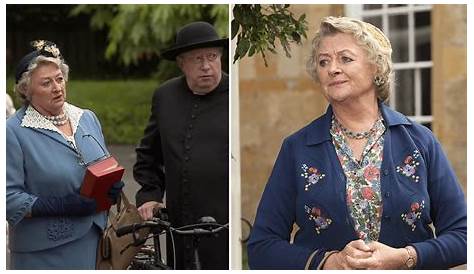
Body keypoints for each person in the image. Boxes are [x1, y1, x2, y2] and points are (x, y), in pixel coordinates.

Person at [247, 16, 466, 270]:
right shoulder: (297, 148)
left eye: (345, 59)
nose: (332, 69)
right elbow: (261, 247)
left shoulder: (420, 142)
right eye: (323, 62)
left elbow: (463, 237)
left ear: (376, 68)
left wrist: (404, 257)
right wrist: (328, 262)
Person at [6, 40, 124, 269]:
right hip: (44, 253)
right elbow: (7, 198)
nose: (57, 88)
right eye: (46, 83)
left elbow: (105, 164)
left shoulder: (87, 118)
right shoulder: (13, 132)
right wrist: (60, 205)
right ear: (26, 90)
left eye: (59, 79)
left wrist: (111, 188)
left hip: (95, 240)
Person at [133, 21, 229, 269]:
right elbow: (148, 155)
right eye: (197, 59)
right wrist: (150, 195)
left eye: (212, 57)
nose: (206, 66)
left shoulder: (235, 95)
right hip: (180, 224)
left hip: (225, 224)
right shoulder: (165, 96)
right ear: (181, 63)